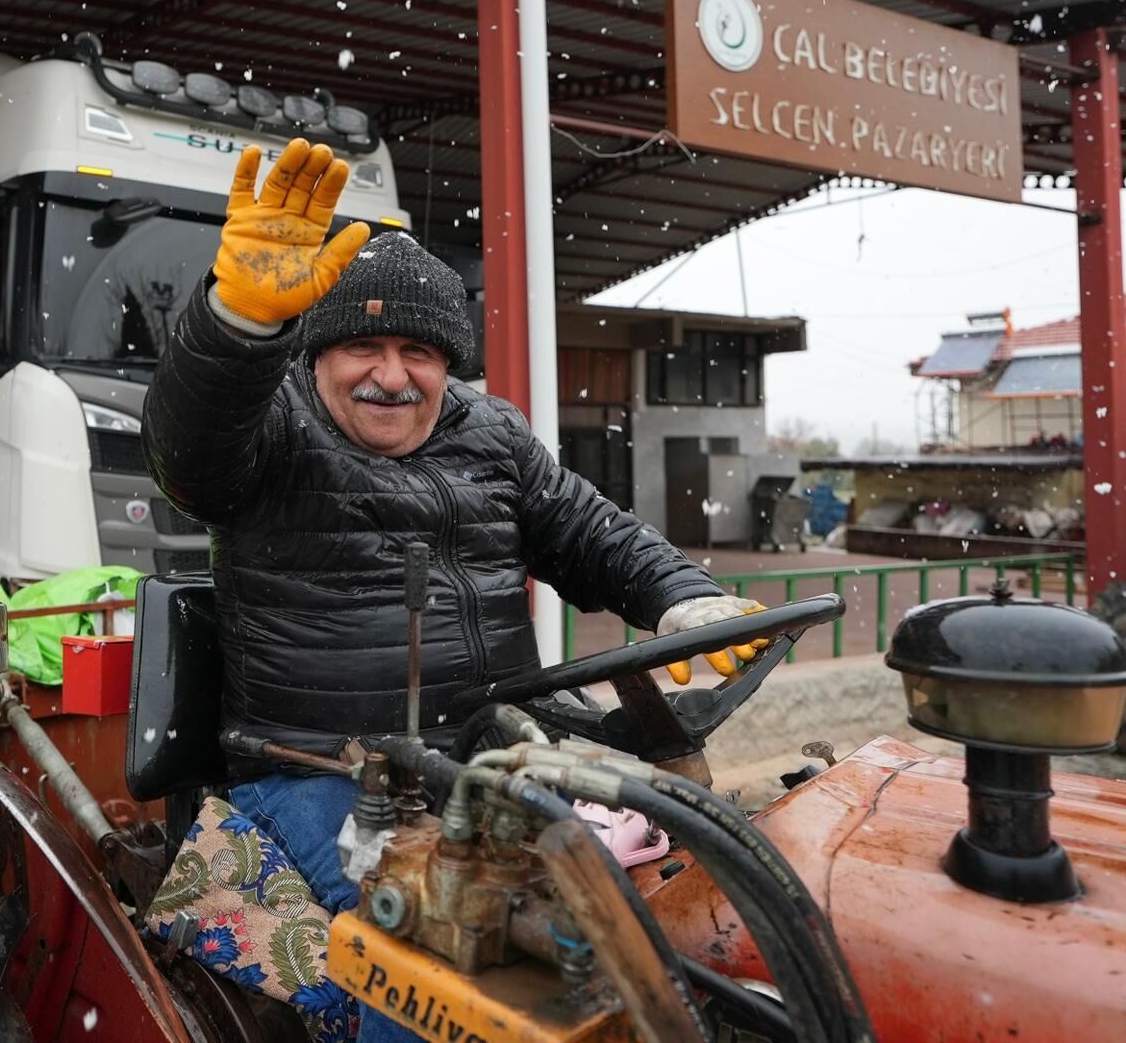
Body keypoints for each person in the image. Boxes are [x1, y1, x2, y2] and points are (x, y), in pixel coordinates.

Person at [143, 140, 762, 1040]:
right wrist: (234, 324)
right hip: (322, 773)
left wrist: (683, 596)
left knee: (685, 898)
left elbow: (590, 533)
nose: (391, 375)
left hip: (489, 758)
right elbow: (186, 449)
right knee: (448, 967)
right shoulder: (266, 431)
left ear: (448, 362)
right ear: (318, 350)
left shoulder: (491, 434)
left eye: (418, 352)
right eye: (363, 344)